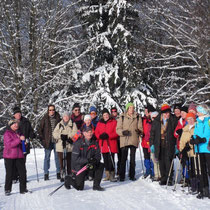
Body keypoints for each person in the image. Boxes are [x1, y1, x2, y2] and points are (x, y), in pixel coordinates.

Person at [64, 127, 104, 191]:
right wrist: (87, 160)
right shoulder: (78, 143)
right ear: (84, 134)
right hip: (79, 166)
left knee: (100, 165)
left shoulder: (95, 142)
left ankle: (96, 185)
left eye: (91, 132)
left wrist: (95, 160)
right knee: (79, 187)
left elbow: (98, 155)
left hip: (90, 164)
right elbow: (75, 159)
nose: (89, 134)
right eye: (87, 132)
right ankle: (68, 180)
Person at [149, 104, 177, 185]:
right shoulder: (156, 120)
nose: (167, 114)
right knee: (161, 162)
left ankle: (169, 178)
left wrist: (176, 144)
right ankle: (163, 178)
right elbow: (152, 133)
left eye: (168, 113)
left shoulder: (173, 119)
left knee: (168, 161)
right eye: (165, 113)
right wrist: (152, 144)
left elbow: (175, 133)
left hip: (170, 143)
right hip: (159, 143)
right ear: (162, 113)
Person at [116, 102, 143, 181]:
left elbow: (140, 128)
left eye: (132, 107)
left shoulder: (137, 117)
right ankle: (122, 176)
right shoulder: (122, 117)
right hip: (125, 139)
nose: (131, 109)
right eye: (130, 107)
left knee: (132, 159)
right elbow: (118, 129)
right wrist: (123, 132)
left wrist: (139, 131)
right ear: (127, 108)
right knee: (123, 158)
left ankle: (132, 175)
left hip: (134, 139)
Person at [3, 119, 28, 195]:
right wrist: (19, 140)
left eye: (17, 124)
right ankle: (7, 189)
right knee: (10, 173)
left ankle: (23, 189)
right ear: (10, 125)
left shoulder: (19, 133)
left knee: (23, 172)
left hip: (19, 155)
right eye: (14, 124)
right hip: (9, 156)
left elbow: (19, 144)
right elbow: (9, 145)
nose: (16, 125)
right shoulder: (7, 133)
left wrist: (25, 143)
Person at [190, 104, 210, 199]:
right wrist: (193, 139)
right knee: (201, 171)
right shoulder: (198, 122)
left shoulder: (209, 120)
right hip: (199, 149)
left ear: (203, 112)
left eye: (198, 111)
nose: (197, 113)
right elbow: (196, 133)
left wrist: (204, 139)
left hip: (208, 149)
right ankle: (203, 190)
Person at [53, 111, 77, 182]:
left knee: (69, 161)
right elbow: (54, 133)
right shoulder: (59, 124)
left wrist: (68, 136)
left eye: (67, 116)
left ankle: (69, 174)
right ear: (62, 117)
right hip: (60, 146)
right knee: (61, 161)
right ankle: (62, 174)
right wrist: (60, 136)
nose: (66, 117)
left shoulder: (73, 124)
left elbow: (76, 132)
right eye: (64, 116)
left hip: (69, 146)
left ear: (69, 117)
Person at [95, 108, 118, 182]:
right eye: (104, 115)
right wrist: (100, 136)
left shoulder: (114, 121)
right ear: (102, 116)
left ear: (109, 114)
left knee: (111, 159)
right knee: (105, 160)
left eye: (107, 114)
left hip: (111, 144)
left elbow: (116, 132)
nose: (106, 116)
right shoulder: (99, 123)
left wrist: (109, 136)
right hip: (103, 144)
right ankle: (107, 174)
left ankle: (112, 174)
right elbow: (96, 132)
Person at [12, 106, 35, 182]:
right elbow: (9, 133)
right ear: (14, 115)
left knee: (22, 161)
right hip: (15, 145)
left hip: (25, 144)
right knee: (15, 162)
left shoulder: (26, 121)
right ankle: (15, 177)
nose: (18, 115)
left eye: (19, 113)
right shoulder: (11, 123)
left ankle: (22, 177)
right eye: (17, 114)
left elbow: (30, 130)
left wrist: (32, 134)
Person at [39, 105, 61, 180]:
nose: (52, 111)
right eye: (50, 110)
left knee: (57, 157)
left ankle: (58, 172)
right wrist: (43, 140)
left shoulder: (58, 118)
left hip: (56, 141)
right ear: (48, 111)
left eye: (53, 110)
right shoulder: (44, 118)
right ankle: (46, 173)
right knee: (47, 158)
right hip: (47, 141)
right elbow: (40, 130)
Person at [179, 112, 196, 190]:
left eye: (191, 119)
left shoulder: (196, 127)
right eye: (188, 119)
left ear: (194, 119)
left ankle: (195, 185)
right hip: (186, 152)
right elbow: (181, 141)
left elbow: (195, 140)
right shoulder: (185, 129)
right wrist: (182, 149)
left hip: (194, 152)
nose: (190, 121)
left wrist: (190, 146)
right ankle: (189, 182)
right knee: (187, 168)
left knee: (194, 169)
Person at [150, 111, 161, 181]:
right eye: (152, 117)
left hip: (158, 144)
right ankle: (156, 174)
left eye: (155, 117)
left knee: (159, 160)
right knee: (154, 160)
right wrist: (151, 144)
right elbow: (151, 136)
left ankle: (160, 174)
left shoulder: (159, 124)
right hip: (153, 144)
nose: (154, 119)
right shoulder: (151, 124)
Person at [110, 106, 121, 177]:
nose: (114, 112)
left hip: (119, 139)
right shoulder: (110, 119)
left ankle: (119, 171)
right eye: (112, 111)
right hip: (112, 140)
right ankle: (112, 171)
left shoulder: (119, 118)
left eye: (115, 111)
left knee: (120, 156)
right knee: (112, 156)